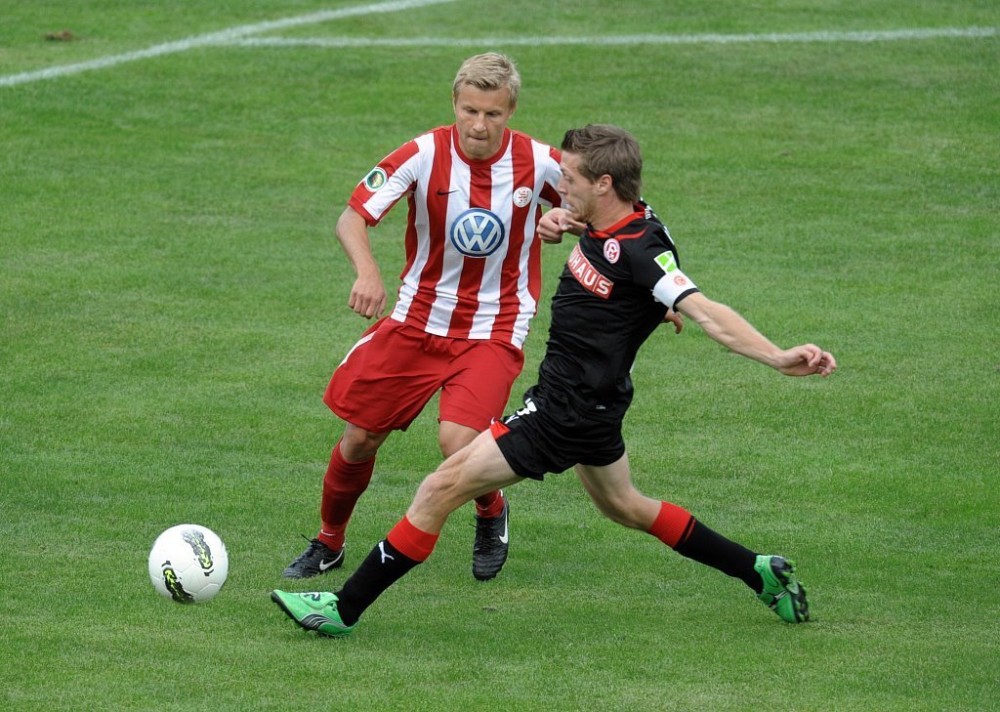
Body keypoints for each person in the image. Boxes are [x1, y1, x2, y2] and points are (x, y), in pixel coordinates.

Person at [271, 124, 837, 637]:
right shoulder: (609, 221)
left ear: (605, 182)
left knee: (437, 489)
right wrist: (568, 227)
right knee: (626, 507)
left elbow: (705, 310)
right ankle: (759, 571)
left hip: (562, 413)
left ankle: (341, 611)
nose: (557, 186)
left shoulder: (642, 249)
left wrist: (778, 357)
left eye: (567, 180)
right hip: (597, 410)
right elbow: (625, 280)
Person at [281, 52, 563, 583]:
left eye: (493, 114)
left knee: (459, 442)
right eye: (470, 110)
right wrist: (367, 273)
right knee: (360, 438)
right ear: (455, 104)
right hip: (416, 320)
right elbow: (352, 217)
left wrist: (567, 218)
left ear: (511, 111)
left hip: (493, 327)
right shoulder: (423, 153)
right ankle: (329, 543)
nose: (479, 125)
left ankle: (490, 509)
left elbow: (610, 209)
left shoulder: (541, 162)